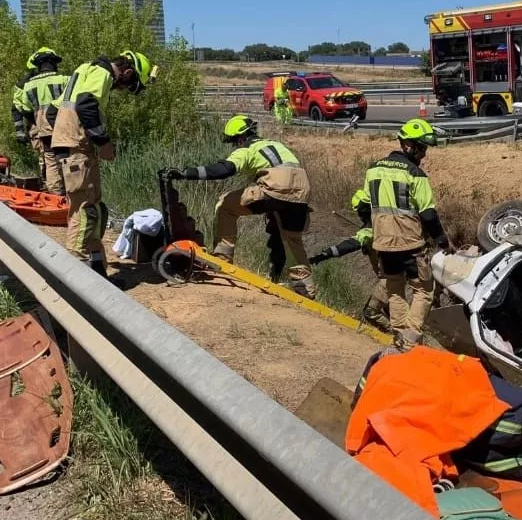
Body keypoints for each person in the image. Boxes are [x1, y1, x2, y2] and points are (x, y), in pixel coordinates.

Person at [166, 115, 316, 298]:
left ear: (240, 138)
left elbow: (225, 169)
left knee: (225, 205)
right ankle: (305, 286)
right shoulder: (277, 145)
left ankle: (222, 258)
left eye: (233, 142)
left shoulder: (247, 149)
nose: (234, 147)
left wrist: (186, 173)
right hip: (302, 193)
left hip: (274, 188)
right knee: (292, 239)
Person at [48, 50, 156, 284]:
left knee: (96, 211)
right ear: (127, 72)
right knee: (85, 212)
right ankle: (76, 279)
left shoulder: (84, 70)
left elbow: (51, 111)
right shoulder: (102, 73)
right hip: (77, 149)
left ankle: (98, 275)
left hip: (75, 148)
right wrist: (103, 142)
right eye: (129, 85)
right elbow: (86, 105)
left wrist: (63, 137)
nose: (124, 90)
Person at [362, 118, 450, 348]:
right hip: (410, 242)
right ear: (408, 145)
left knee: (394, 288)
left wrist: (371, 227)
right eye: (421, 148)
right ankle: (410, 338)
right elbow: (428, 213)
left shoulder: (373, 169)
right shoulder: (415, 173)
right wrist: (442, 240)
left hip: (383, 242)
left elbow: (363, 204)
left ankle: (400, 337)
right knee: (423, 290)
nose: (424, 154)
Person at [309, 189, 390, 332]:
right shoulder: (385, 223)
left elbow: (349, 245)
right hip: (393, 278)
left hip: (389, 280)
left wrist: (323, 255)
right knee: (392, 313)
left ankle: (397, 337)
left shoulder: (370, 230)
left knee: (371, 312)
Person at [15, 47, 69, 194]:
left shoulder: (28, 86)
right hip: (64, 128)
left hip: (43, 129)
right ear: (53, 63)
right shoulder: (64, 79)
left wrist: (37, 121)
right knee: (67, 160)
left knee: (50, 160)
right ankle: (71, 193)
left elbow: (24, 109)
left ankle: (55, 194)